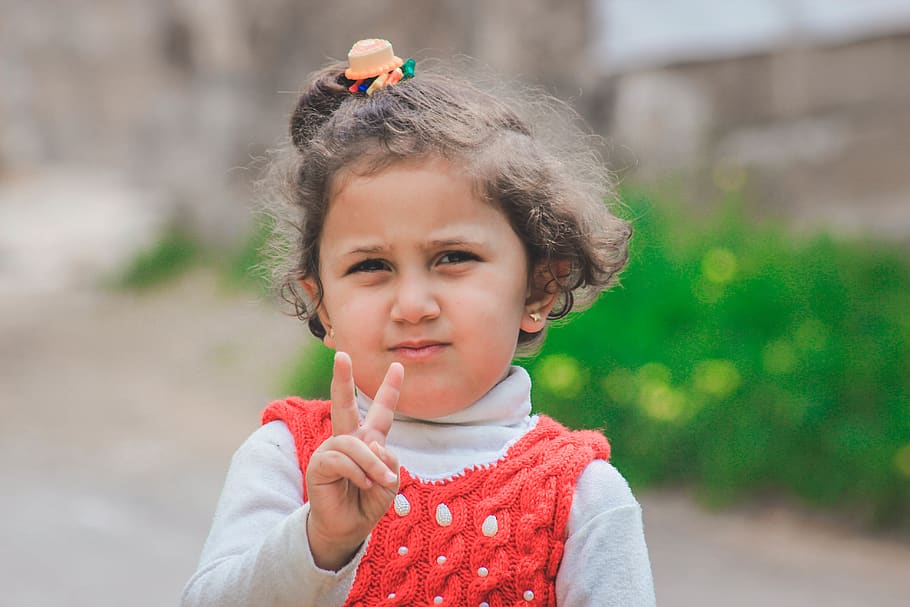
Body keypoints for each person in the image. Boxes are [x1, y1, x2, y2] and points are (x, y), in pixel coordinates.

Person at [182, 39, 655, 607]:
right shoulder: (289, 459)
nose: (412, 305)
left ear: (539, 286)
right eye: (371, 266)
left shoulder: (581, 497)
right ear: (323, 305)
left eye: (453, 258)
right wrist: (320, 541)